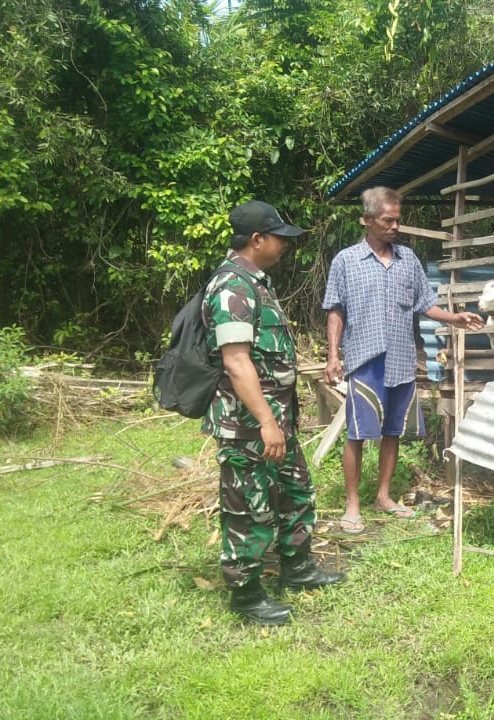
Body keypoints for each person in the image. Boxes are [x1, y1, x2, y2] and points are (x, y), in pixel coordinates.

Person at [203, 200, 344, 626]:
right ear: (257, 239)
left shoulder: (256, 282)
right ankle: (246, 595)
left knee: (295, 493)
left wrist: (277, 421)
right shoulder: (232, 287)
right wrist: (266, 422)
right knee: (249, 507)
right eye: (279, 237)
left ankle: (297, 569)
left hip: (275, 422)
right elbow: (236, 361)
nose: (285, 245)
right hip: (249, 426)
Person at [321, 187, 483, 534]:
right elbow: (335, 310)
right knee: (358, 433)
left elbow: (425, 302)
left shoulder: (407, 260)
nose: (396, 226)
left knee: (393, 431)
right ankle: (352, 505)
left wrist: (453, 318)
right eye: (387, 220)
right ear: (367, 220)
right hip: (364, 359)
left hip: (400, 359)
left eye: (398, 220)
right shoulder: (346, 261)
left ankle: (383, 496)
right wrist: (333, 355)